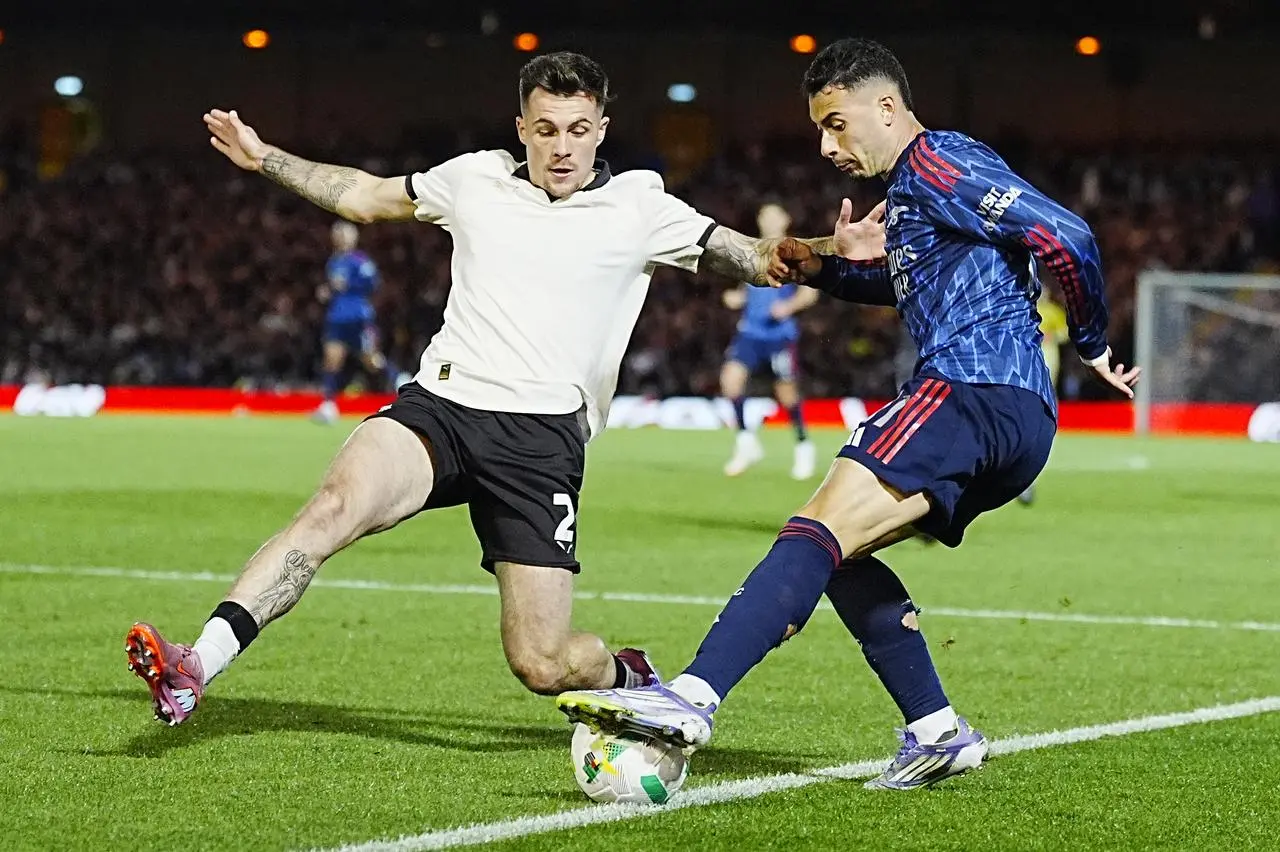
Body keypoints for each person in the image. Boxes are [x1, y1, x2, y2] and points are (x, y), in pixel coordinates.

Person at [123, 51, 857, 726]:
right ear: (521, 130)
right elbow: (367, 197)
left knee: (542, 663)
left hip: (540, 442)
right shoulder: (474, 178)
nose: (562, 146)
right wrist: (265, 159)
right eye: (545, 129)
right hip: (442, 405)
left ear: (602, 129)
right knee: (332, 508)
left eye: (577, 129)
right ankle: (197, 665)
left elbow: (759, 258)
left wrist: (833, 252)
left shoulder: (643, 207)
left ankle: (629, 679)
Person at [557, 38, 1140, 790]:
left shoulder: (936, 162)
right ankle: (938, 732)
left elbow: (1067, 234)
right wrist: (827, 269)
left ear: (887, 106)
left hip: (969, 389)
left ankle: (691, 698)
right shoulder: (914, 192)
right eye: (820, 129)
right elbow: (910, 284)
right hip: (1013, 416)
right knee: (840, 554)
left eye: (837, 124)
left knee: (815, 529)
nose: (827, 145)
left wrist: (1088, 337)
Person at [721, 202, 819, 480]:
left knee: (786, 394)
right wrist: (737, 298)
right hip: (749, 332)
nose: (767, 219)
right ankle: (745, 443)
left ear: (786, 219)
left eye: (773, 214)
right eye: (764, 215)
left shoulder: (795, 252)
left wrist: (787, 308)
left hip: (778, 335)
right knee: (730, 381)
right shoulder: (753, 250)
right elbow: (749, 288)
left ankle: (803, 446)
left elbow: (810, 293)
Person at [312, 220, 399, 424]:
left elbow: (373, 283)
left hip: (358, 317)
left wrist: (349, 284)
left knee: (372, 361)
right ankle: (328, 406)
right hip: (337, 317)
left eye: (344, 234)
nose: (341, 237)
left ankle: (400, 379)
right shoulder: (333, 261)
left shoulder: (360, 260)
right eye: (338, 233)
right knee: (331, 359)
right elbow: (336, 287)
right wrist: (327, 291)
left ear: (353, 238)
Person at [1018, 287, 1069, 504]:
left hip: (1048, 357)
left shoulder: (1052, 311)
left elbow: (1065, 333)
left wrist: (1053, 336)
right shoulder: (1022, 308)